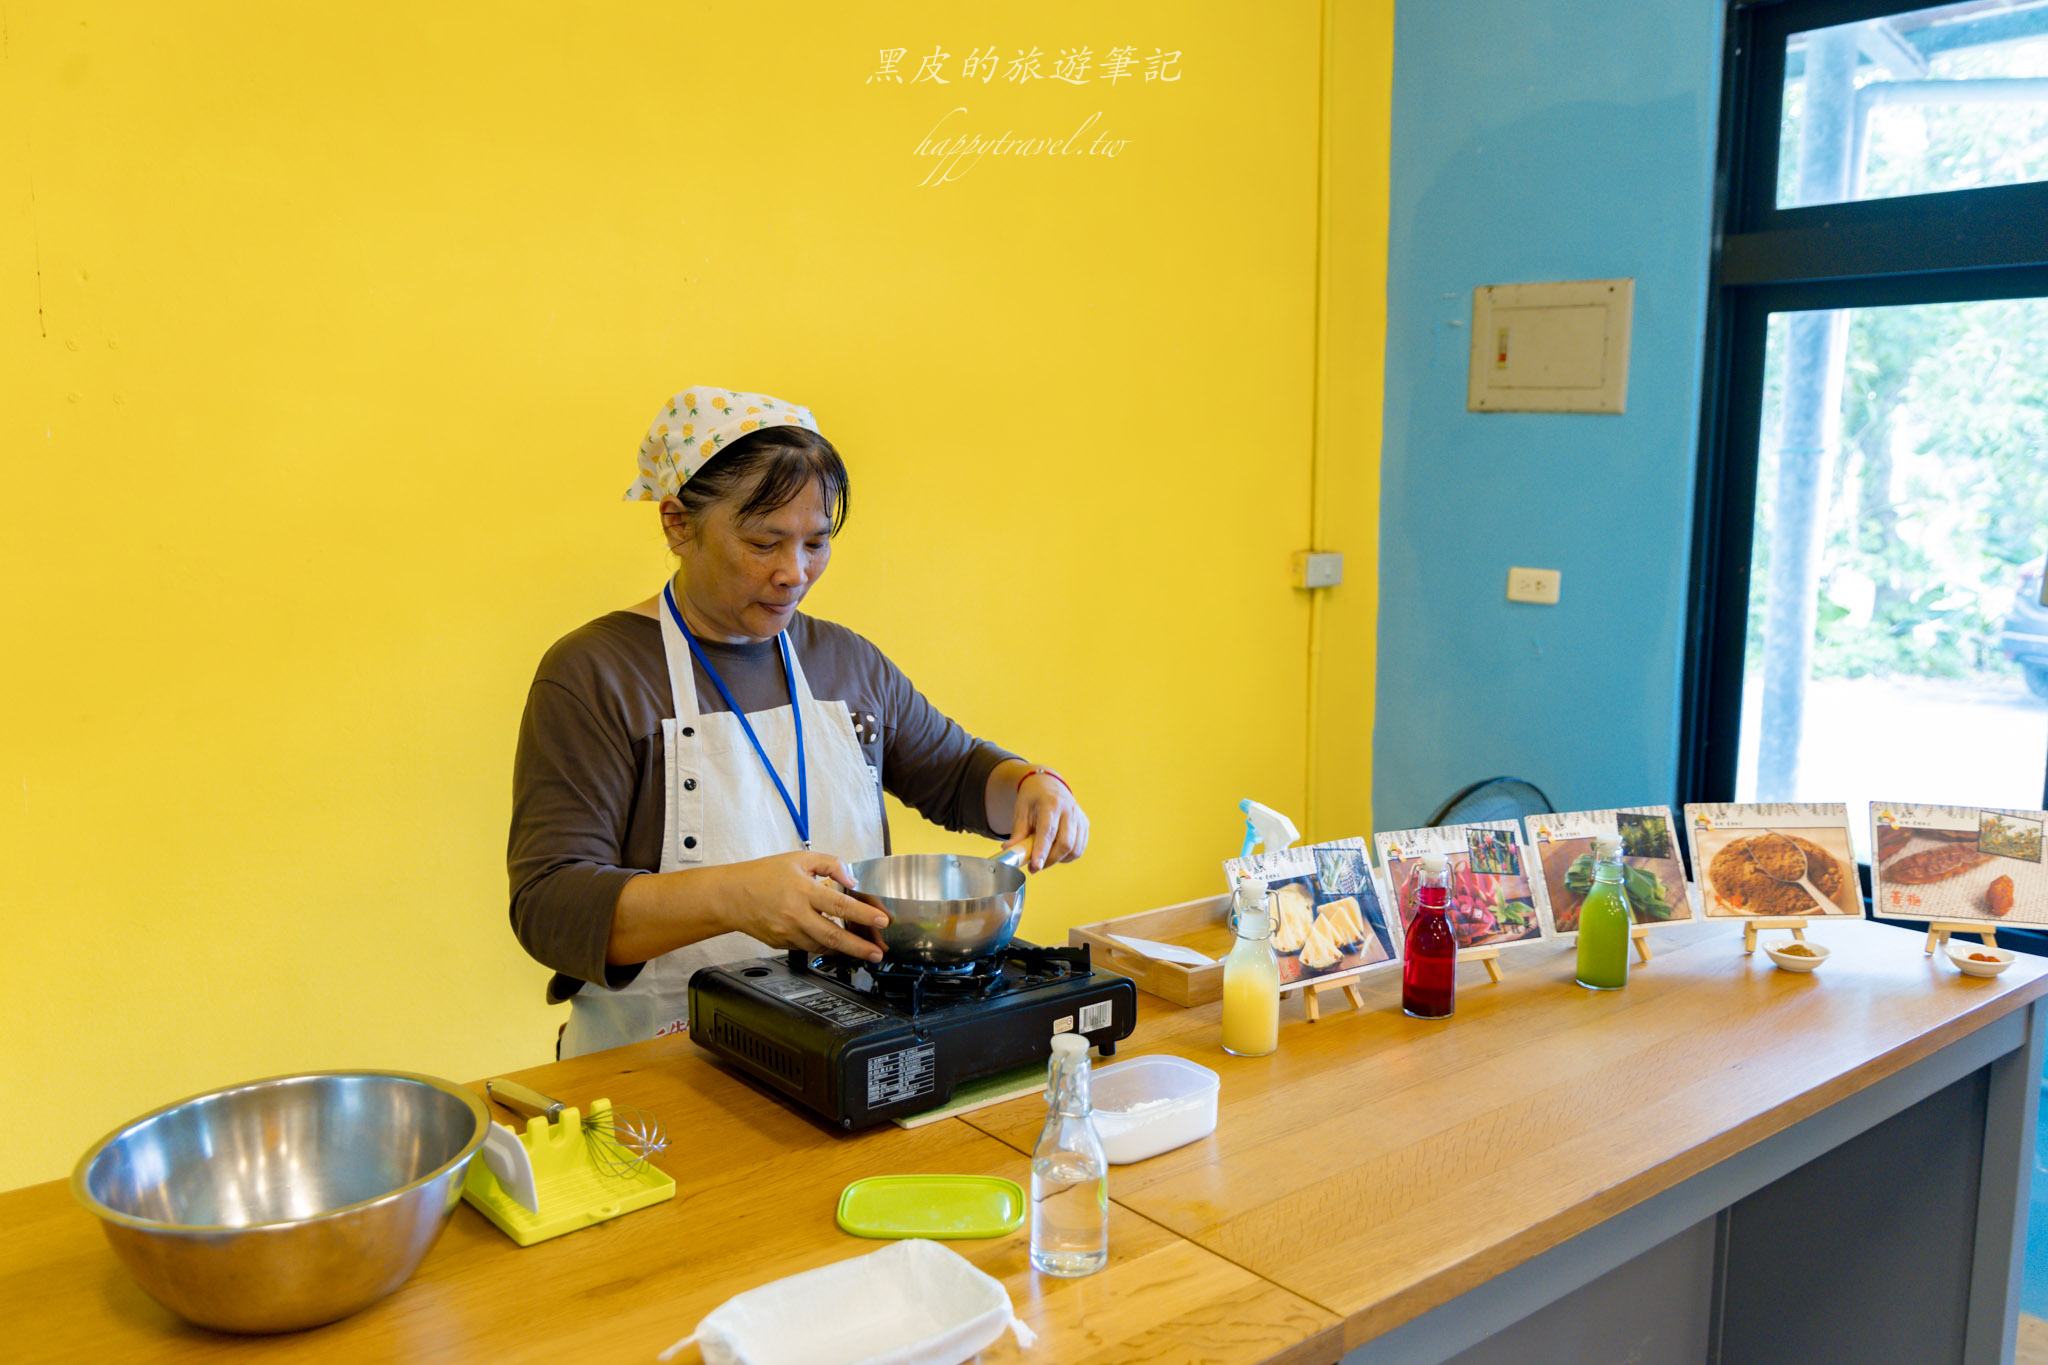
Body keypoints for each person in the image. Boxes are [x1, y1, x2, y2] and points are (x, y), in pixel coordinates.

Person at [508, 384, 1089, 1057]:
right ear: (676, 523)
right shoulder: (595, 673)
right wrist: (734, 897)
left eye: (816, 542)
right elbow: (550, 904)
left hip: (841, 1048)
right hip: (659, 1065)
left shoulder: (844, 662)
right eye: (763, 542)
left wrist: (1030, 787)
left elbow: (959, 772)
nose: (794, 573)